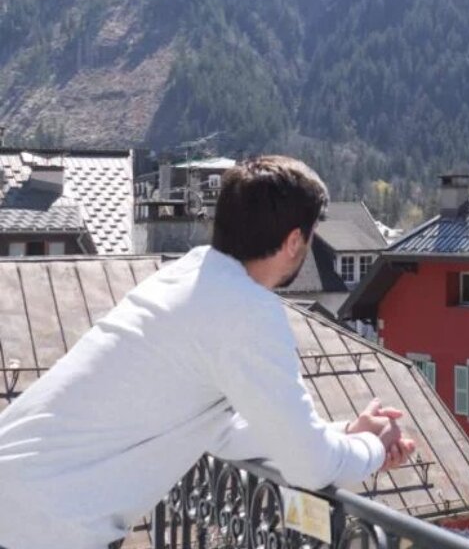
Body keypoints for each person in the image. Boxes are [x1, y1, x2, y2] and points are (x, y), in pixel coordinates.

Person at [0, 155, 415, 549]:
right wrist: (374, 449)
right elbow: (308, 467)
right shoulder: (247, 312)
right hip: (47, 527)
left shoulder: (186, 278)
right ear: (294, 241)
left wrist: (343, 433)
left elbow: (219, 428)